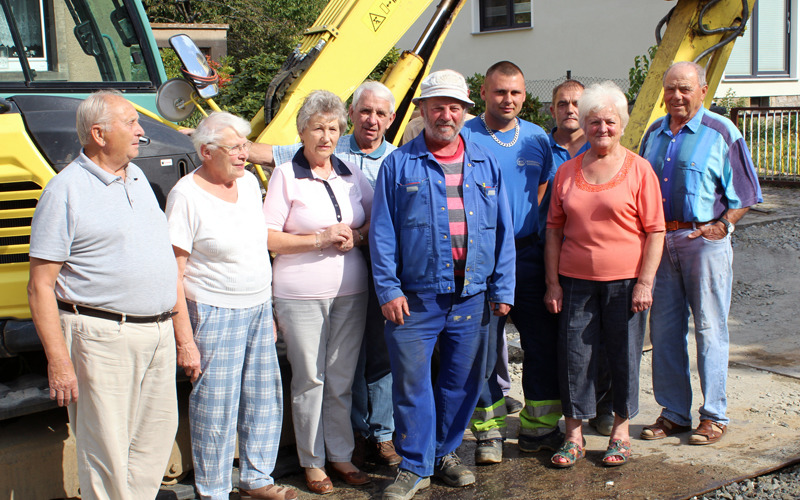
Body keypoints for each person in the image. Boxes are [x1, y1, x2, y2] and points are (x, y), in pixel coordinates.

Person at [370, 69, 516, 500]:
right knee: (412, 383)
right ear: (422, 111)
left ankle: (442, 455)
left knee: (461, 381)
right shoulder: (399, 164)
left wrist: (503, 288)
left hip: (472, 296)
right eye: (438, 107)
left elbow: (503, 230)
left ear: (465, 112)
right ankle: (414, 465)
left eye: (454, 107)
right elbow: (382, 233)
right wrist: (388, 289)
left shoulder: (484, 163)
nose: (446, 115)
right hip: (415, 298)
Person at [27, 90, 179, 499]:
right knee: (106, 453)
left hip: (157, 335)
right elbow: (40, 284)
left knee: (152, 446)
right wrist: (59, 361)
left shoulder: (137, 180)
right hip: (101, 337)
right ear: (98, 133)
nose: (141, 130)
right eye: (130, 122)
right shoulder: (66, 191)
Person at [260, 82, 401, 467]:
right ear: (303, 132)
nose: (326, 136)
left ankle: (340, 456)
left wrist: (356, 237)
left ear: (342, 132)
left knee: (339, 381)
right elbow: (268, 236)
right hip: (301, 295)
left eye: (333, 129)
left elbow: (379, 221)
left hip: (351, 293)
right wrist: (319, 239)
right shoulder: (287, 176)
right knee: (310, 381)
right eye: (318, 128)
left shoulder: (350, 172)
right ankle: (311, 461)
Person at [166, 112, 295, 500]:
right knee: (215, 406)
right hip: (213, 311)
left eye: (245, 145)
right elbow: (173, 272)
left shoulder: (249, 184)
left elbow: (258, 251)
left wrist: (269, 308)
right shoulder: (186, 195)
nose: (245, 154)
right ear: (206, 152)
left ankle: (257, 478)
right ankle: (214, 489)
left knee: (263, 398)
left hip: (256, 306)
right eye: (236, 147)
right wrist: (185, 341)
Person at [639, 61, 762, 446]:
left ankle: (714, 415)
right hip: (661, 242)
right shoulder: (653, 134)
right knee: (664, 331)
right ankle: (674, 413)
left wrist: (723, 225)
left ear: (702, 90)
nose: (676, 96)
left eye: (685, 89)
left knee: (710, 328)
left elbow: (746, 192)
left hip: (703, 242)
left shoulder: (722, 132)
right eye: (670, 89)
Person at [544, 81, 665, 468]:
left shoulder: (640, 170)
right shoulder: (566, 171)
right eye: (594, 121)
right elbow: (554, 231)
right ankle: (574, 436)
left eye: (610, 121)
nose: (602, 129)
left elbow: (655, 231)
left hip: (626, 284)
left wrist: (645, 282)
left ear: (622, 124)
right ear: (585, 123)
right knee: (574, 358)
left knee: (623, 356)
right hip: (576, 283)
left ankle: (620, 433)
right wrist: (552, 283)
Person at [460, 61, 555, 464]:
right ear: (484, 93)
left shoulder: (536, 137)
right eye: (500, 92)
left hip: (529, 253)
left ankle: (539, 427)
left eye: (516, 92)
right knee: (480, 349)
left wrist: (523, 218)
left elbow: (544, 181)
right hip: (482, 256)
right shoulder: (465, 135)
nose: (509, 100)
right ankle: (489, 433)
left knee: (541, 344)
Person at [548, 80, 614, 437]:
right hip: (557, 258)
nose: (570, 109)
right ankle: (567, 411)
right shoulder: (540, 147)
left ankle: (604, 407)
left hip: (605, 267)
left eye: (576, 103)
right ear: (553, 108)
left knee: (603, 342)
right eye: (562, 103)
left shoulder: (607, 151)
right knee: (569, 344)